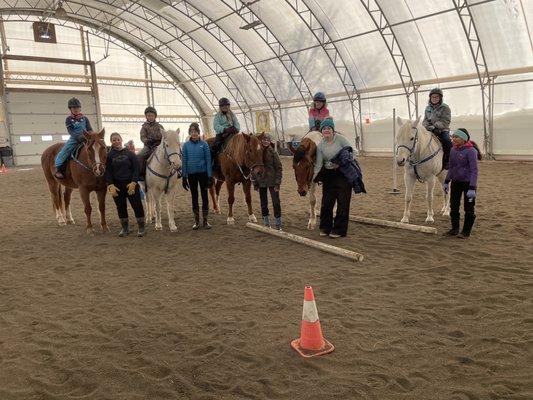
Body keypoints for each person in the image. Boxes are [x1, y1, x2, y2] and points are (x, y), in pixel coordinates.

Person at [313, 118, 353, 238]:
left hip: (343, 174)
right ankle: (325, 227)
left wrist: (341, 162)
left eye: (329, 128)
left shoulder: (340, 139)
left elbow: (353, 152)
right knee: (326, 202)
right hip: (329, 176)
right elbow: (319, 165)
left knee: (343, 202)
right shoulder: (320, 146)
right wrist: (313, 179)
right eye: (324, 128)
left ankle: (339, 230)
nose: (326, 130)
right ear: (321, 131)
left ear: (333, 130)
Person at [105, 132, 146, 237]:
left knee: (137, 206)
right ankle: (125, 228)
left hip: (131, 185)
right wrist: (110, 185)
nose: (116, 141)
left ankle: (141, 227)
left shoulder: (130, 154)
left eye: (118, 139)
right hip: (117, 186)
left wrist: (134, 182)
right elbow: (108, 172)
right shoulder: (109, 156)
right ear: (111, 142)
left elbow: (136, 169)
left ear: (121, 140)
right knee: (120, 207)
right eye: (114, 140)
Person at [443, 128, 479, 238]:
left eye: (456, 137)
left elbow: (474, 170)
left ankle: (466, 232)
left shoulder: (471, 151)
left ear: (463, 139)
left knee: (468, 208)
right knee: (454, 206)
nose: (453, 139)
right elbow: (452, 167)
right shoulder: (453, 150)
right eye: (452, 136)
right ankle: (454, 229)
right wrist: (446, 181)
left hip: (468, 183)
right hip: (456, 182)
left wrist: (472, 187)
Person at [181, 122, 213, 230]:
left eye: (195, 132)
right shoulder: (186, 146)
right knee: (194, 197)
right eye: (192, 132)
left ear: (198, 133)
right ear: (190, 133)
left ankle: (205, 221)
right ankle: (196, 221)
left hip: (203, 174)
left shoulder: (204, 144)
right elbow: (184, 161)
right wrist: (184, 177)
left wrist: (209, 176)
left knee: (204, 196)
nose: (194, 133)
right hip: (191, 175)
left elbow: (208, 160)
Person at [54, 97, 93, 179]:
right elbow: (70, 131)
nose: (76, 109)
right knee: (64, 151)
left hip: (86, 138)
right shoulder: (68, 119)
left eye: (78, 107)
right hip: (75, 139)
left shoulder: (85, 118)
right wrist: (78, 137)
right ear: (70, 109)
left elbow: (89, 129)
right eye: (74, 108)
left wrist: (89, 135)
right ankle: (58, 168)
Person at [252, 134, 283, 230]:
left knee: (276, 202)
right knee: (263, 202)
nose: (265, 141)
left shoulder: (273, 152)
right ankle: (266, 222)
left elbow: (278, 168)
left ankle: (278, 223)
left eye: (267, 140)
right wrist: (255, 183)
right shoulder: (257, 152)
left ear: (270, 141)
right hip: (261, 181)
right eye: (264, 140)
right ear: (261, 141)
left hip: (272, 181)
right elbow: (253, 168)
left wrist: (277, 182)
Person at [422, 88, 452, 169]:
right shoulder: (427, 108)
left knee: (447, 140)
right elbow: (425, 120)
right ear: (430, 98)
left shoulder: (445, 108)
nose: (434, 99)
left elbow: (446, 121)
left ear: (440, 98)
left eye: (436, 97)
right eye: (433, 97)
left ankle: (447, 160)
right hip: (430, 129)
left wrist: (435, 126)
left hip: (442, 129)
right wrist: (425, 126)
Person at [212, 97, 240, 170]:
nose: (224, 107)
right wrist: (224, 129)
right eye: (222, 105)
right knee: (215, 146)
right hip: (221, 134)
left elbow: (237, 124)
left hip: (232, 133)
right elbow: (216, 126)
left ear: (228, 106)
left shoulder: (232, 114)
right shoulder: (218, 116)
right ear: (220, 107)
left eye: (226, 105)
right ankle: (214, 163)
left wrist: (235, 129)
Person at [138, 106, 164, 179]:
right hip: (148, 145)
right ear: (146, 116)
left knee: (169, 153)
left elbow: (164, 135)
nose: (150, 117)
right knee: (139, 155)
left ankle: (176, 171)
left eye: (152, 116)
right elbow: (142, 136)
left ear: (155, 116)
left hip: (158, 145)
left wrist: (160, 141)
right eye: (148, 116)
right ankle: (141, 173)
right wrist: (147, 141)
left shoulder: (160, 126)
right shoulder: (144, 126)